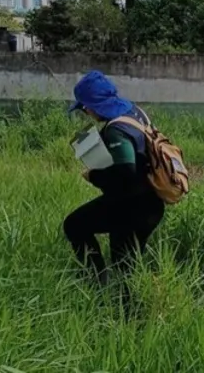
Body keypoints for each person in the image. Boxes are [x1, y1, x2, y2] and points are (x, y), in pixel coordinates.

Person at [63, 70, 165, 287]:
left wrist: (94, 175)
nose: (86, 113)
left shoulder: (115, 130)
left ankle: (99, 285)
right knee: (127, 264)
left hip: (133, 207)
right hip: (152, 202)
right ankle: (129, 302)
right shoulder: (134, 111)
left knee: (74, 225)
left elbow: (126, 171)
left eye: (84, 108)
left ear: (92, 105)